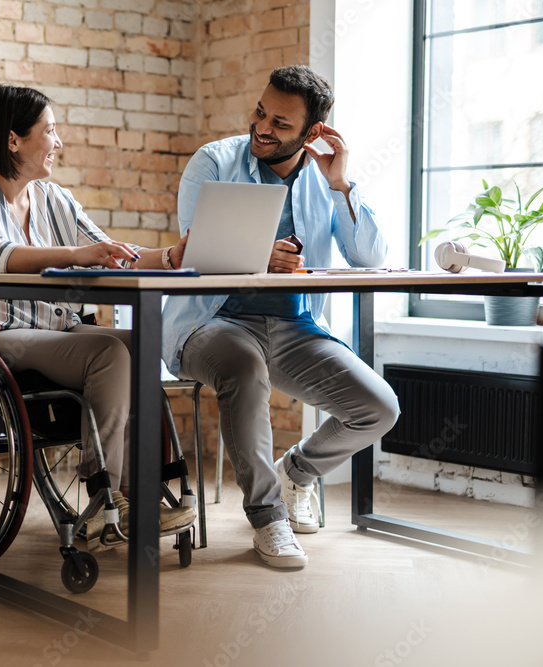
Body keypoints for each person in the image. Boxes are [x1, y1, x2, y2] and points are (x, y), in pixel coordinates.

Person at [0, 84, 195, 551]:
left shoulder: (57, 198)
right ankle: (105, 496)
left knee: (140, 343)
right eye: (50, 131)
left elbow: (116, 254)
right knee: (108, 352)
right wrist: (79, 254)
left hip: (56, 330)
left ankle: (142, 491)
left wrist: (173, 255)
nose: (58, 142)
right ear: (13, 140)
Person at [161, 65, 400, 568]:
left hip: (296, 329)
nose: (262, 127)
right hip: (212, 324)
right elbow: (192, 251)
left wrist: (341, 184)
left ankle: (296, 471)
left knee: (378, 407)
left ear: (312, 133)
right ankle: (269, 519)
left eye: (281, 124)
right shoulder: (214, 162)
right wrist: (259, 254)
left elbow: (370, 258)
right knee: (245, 368)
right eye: (260, 112)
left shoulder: (321, 175)